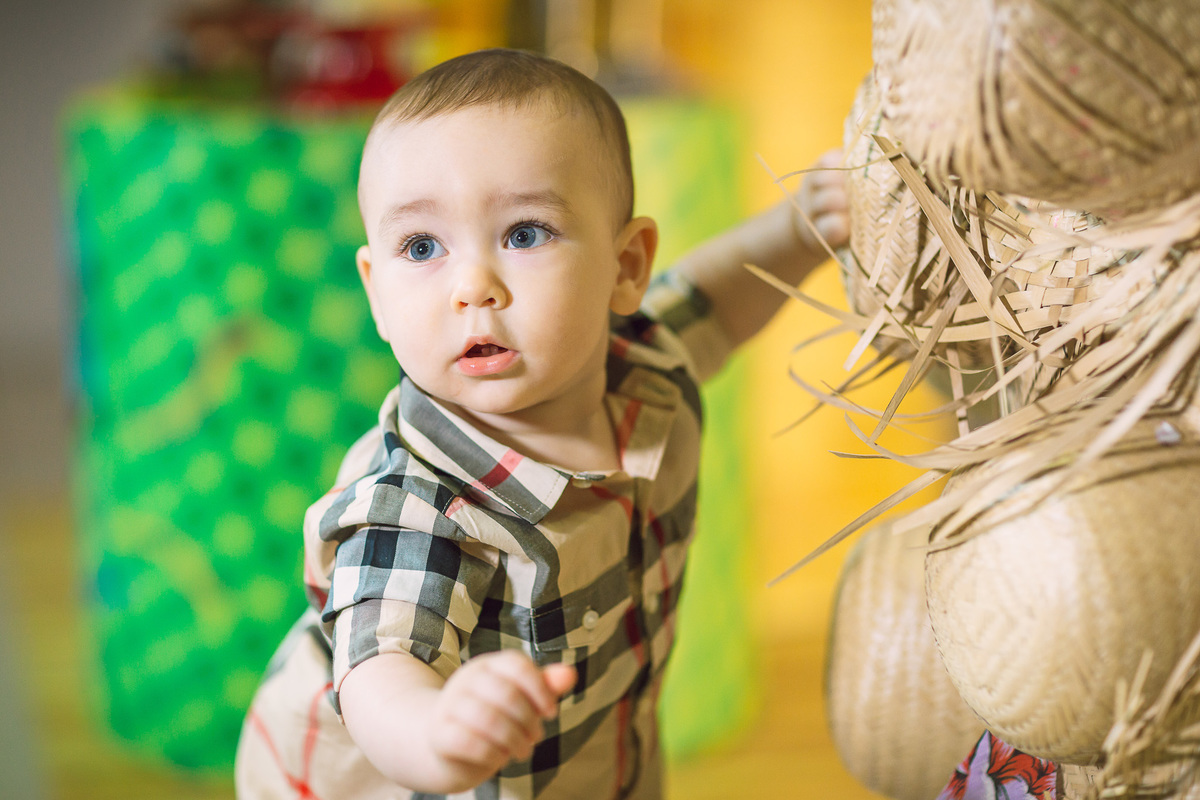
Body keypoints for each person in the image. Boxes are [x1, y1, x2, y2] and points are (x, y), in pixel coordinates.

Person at [235, 47, 848, 799]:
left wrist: (799, 227)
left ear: (626, 267)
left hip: (590, 751)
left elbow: (713, 301)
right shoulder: (415, 504)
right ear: (376, 294)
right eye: (422, 247)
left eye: (525, 233)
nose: (473, 287)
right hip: (400, 777)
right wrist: (433, 730)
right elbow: (379, 670)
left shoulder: (641, 368)